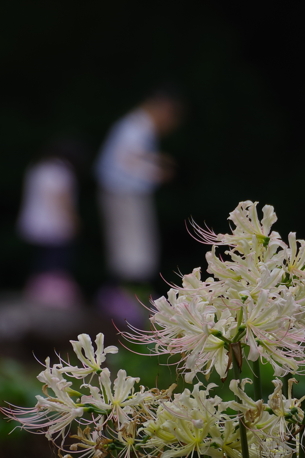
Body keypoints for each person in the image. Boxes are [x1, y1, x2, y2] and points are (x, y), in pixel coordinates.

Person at [94, 86, 183, 321]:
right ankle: (126, 299)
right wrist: (156, 171)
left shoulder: (135, 127)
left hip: (123, 192)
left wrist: (154, 165)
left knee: (132, 244)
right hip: (124, 193)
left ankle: (129, 296)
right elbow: (125, 164)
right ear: (164, 109)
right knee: (131, 245)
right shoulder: (136, 128)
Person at [17, 138, 85, 309]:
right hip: (55, 224)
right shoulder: (61, 170)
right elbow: (61, 198)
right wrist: (73, 219)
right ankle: (53, 297)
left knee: (40, 261)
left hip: (34, 222)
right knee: (56, 263)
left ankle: (37, 293)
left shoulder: (38, 167)